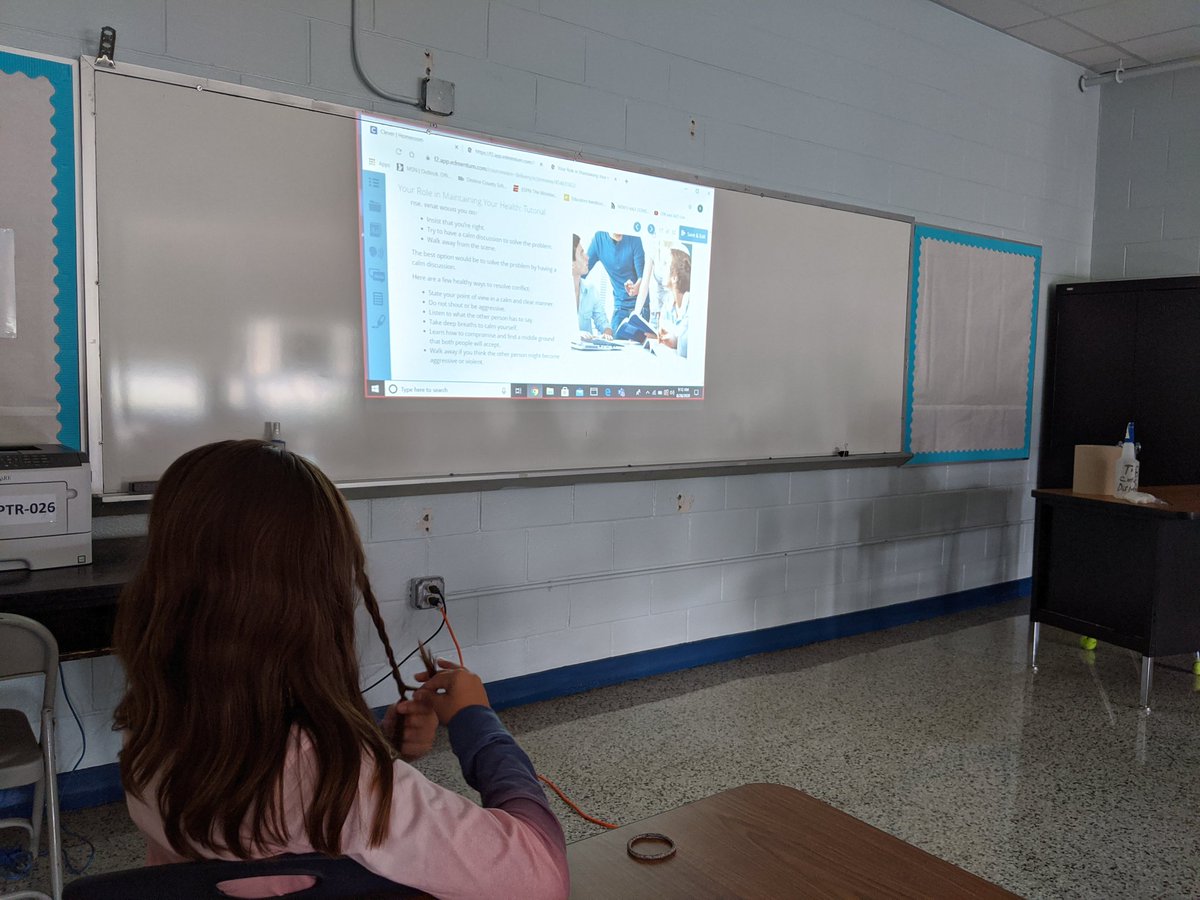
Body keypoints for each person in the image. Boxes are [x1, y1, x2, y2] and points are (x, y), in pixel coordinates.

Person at [112, 439, 569, 900]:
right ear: (315, 596)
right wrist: (478, 723)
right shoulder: (340, 779)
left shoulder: (149, 726)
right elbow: (539, 873)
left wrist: (371, 744)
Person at [585, 231, 644, 333]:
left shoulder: (634, 238)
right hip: (620, 306)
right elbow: (582, 270)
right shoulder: (599, 240)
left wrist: (636, 287)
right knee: (614, 340)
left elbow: (642, 278)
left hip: (641, 307)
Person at [572, 233, 611, 338]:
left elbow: (604, 324)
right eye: (581, 254)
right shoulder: (555, 292)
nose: (587, 257)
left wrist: (606, 334)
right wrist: (576, 334)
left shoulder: (591, 290)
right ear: (571, 263)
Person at [657, 248, 691, 356]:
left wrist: (675, 340)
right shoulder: (668, 301)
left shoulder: (692, 304)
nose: (662, 268)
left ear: (675, 277)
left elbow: (685, 347)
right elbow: (664, 331)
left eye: (666, 264)